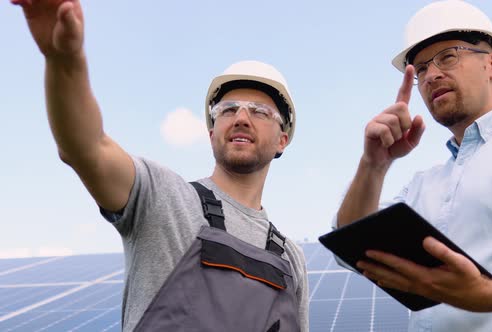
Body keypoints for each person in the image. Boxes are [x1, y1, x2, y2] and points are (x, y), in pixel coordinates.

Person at [11, 0, 308, 331]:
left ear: (283, 139)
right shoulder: (164, 200)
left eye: (259, 111)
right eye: (227, 109)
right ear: (212, 133)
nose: (240, 118)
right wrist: (63, 62)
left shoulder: (290, 259)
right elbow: (86, 149)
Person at [335, 0, 492, 331]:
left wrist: (490, 294)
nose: (432, 75)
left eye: (448, 57)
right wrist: (373, 166)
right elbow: (352, 249)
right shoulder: (423, 185)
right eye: (421, 70)